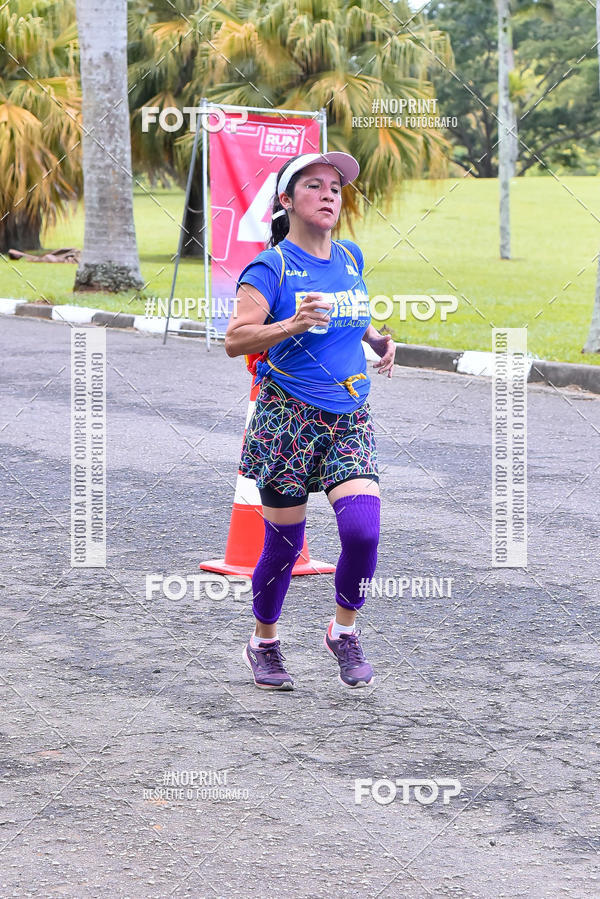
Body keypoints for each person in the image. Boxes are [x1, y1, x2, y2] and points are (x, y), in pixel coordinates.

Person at [225, 151, 395, 691]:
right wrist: (290, 324)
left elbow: (350, 311)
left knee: (363, 532)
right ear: (286, 200)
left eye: (336, 188)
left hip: (348, 414)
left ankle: (342, 631)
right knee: (282, 546)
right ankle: (264, 643)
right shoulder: (269, 268)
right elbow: (235, 340)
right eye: (315, 185)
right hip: (287, 420)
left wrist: (374, 338)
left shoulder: (350, 256)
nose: (329, 195)